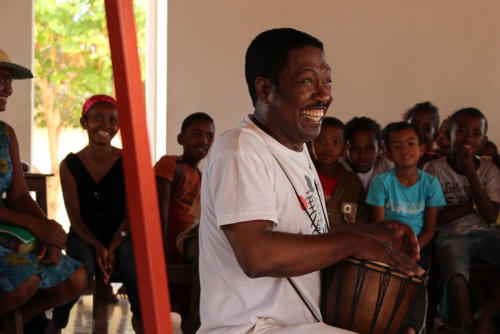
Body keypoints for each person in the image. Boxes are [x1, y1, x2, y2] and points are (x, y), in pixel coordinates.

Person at [198, 28, 423, 334]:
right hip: (251, 328)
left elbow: (307, 231)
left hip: (300, 325)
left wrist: (373, 233)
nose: (324, 95)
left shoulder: (297, 148)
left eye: (326, 80)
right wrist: (355, 242)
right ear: (265, 90)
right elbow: (258, 255)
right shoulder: (239, 150)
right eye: (307, 81)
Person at [0, 48, 86, 330]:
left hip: (6, 231)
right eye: (1, 78)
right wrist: (35, 227)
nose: (8, 89)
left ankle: (14, 325)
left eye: (9, 80)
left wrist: (48, 230)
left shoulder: (6, 134)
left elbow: (19, 195)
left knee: (76, 278)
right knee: (26, 279)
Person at [47, 95, 142, 334]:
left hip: (121, 234)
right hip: (83, 236)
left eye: (112, 120)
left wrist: (113, 244)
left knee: (133, 264)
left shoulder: (129, 160)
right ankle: (57, 323)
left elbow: (132, 215)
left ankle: (141, 322)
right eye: (98, 118)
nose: (105, 125)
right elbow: (75, 219)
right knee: (82, 269)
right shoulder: (70, 165)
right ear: (84, 122)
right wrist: (99, 247)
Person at [424, 108, 500, 333]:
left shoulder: (490, 171)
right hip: (452, 236)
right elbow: (437, 219)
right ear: (450, 135)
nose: (468, 137)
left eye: (476, 133)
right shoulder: (434, 169)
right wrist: (473, 205)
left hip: (488, 234)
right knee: (455, 274)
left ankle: (484, 316)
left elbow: (491, 216)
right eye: (462, 131)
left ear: (484, 140)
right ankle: (468, 326)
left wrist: (471, 174)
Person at [366, 122, 446, 334]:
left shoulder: (430, 184)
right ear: (389, 154)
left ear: (422, 149)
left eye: (411, 144)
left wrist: (414, 247)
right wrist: (396, 249)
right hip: (388, 243)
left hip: (421, 242)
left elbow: (430, 228)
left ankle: (412, 328)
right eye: (397, 146)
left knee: (418, 278)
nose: (405, 150)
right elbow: (379, 226)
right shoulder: (381, 183)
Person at [155, 112, 214, 260]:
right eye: (196, 134)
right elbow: (159, 206)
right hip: (168, 249)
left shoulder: (203, 178)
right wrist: (161, 248)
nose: (204, 141)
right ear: (181, 139)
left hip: (188, 248)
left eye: (210, 136)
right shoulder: (169, 164)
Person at [311, 117, 368, 225]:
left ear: (345, 148)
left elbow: (362, 219)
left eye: (335, 142)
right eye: (320, 141)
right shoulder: (304, 175)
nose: (328, 147)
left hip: (343, 240)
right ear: (311, 144)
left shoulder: (353, 182)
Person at [340, 116, 393, 190]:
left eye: (369, 149)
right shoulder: (339, 167)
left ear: (380, 148)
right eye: (355, 149)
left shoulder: (385, 165)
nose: (362, 155)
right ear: (346, 148)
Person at [403, 102, 441, 168]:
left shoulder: (441, 167)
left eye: (426, 128)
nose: (419, 132)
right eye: (413, 126)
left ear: (436, 135)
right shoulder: (394, 162)